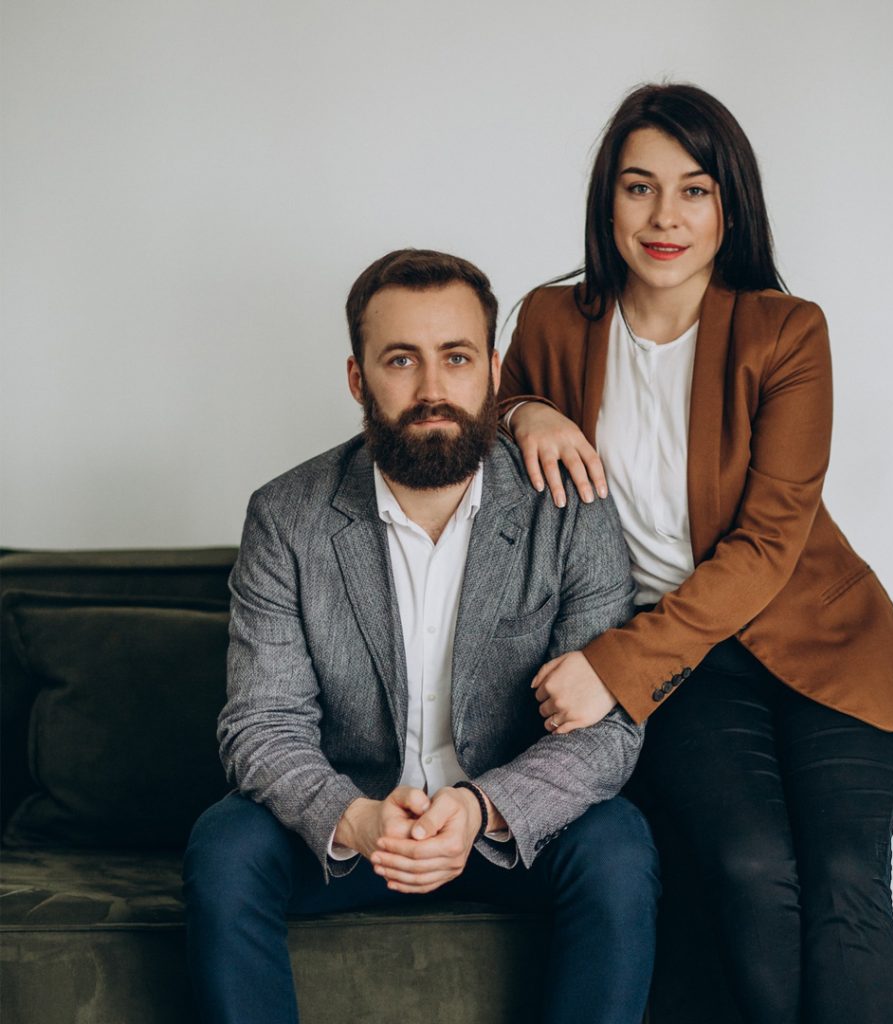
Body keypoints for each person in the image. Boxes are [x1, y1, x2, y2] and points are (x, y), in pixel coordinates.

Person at [499, 84, 893, 1024]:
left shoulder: (787, 331)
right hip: (690, 664)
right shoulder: (551, 320)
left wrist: (612, 669)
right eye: (639, 187)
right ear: (607, 200)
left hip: (822, 640)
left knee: (847, 877)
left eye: (694, 190)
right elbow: (489, 418)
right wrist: (524, 409)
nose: (665, 217)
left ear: (730, 204)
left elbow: (768, 545)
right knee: (749, 867)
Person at [183, 249, 660, 1024]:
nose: (433, 389)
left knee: (619, 847)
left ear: (493, 372)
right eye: (401, 360)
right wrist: (355, 819)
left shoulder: (571, 506)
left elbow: (608, 731)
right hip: (354, 825)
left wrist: (480, 809)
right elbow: (261, 724)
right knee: (225, 847)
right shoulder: (287, 516)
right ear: (358, 378)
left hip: (506, 823)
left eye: (457, 358)